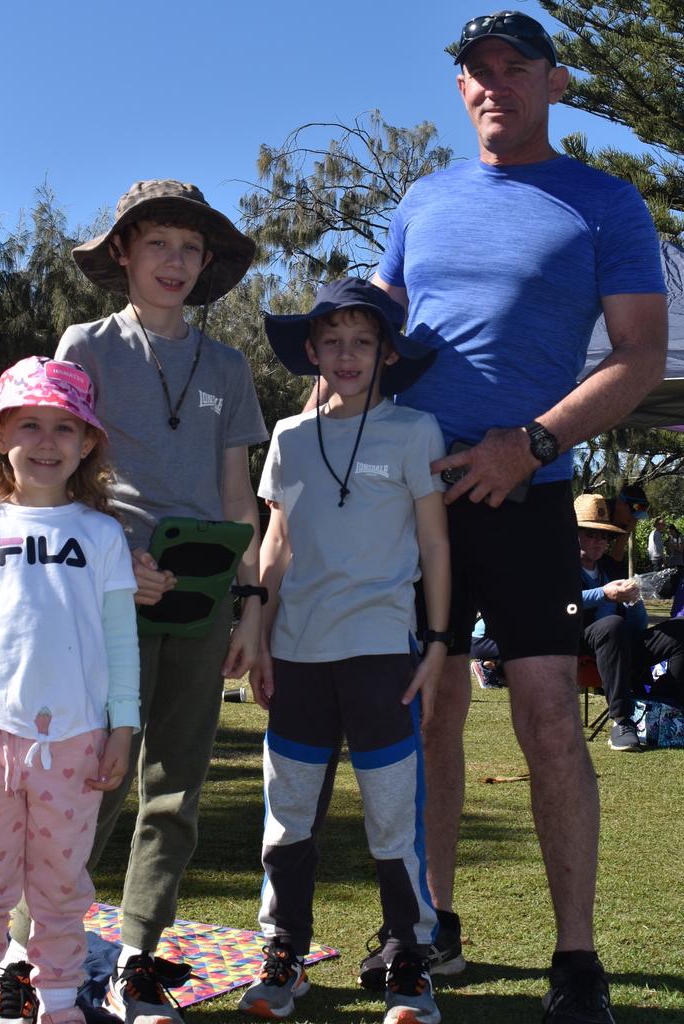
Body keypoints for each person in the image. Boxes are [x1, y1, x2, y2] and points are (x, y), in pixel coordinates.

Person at [368, 10, 668, 1022]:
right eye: (476, 70)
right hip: (416, 499)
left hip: (532, 494)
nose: (494, 83)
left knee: (547, 717)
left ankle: (576, 957)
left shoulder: (604, 202)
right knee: (423, 712)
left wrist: (530, 444)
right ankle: (428, 927)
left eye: (514, 66)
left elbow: (635, 355)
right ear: (461, 90)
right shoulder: (422, 200)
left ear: (555, 81)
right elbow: (374, 333)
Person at [6, 180, 267, 1024]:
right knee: (91, 774)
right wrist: (117, 555)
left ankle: (139, 958)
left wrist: (249, 604)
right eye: (157, 244)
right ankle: (26, 950)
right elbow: (57, 466)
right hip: (99, 584)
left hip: (200, 592)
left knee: (176, 784)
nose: (175, 263)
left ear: (208, 263)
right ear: (123, 254)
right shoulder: (85, 344)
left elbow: (239, 498)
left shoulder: (227, 366)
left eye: (190, 249)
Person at [240, 278, 449, 1024]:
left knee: (391, 819)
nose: (348, 354)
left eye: (364, 341)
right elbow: (277, 541)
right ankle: (284, 955)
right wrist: (257, 633)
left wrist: (436, 640)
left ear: (387, 353)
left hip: (382, 655)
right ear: (311, 352)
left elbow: (433, 542)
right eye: (333, 341)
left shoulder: (416, 430)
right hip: (296, 655)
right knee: (289, 814)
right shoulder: (290, 438)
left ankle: (408, 960)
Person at [0, 356, 140, 1024]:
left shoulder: (103, 535)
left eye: (64, 428)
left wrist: (122, 728)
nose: (47, 442)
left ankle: (61, 1003)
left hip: (75, 744)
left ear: (88, 444)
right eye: (30, 425)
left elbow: (120, 641)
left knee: (61, 887)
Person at [576, 493, 684, 751]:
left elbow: (636, 626)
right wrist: (604, 593)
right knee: (612, 625)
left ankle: (665, 705)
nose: (599, 541)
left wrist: (633, 602)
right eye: (591, 534)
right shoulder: (558, 566)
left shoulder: (610, 568)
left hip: (618, 641)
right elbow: (558, 603)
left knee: (679, 630)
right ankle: (622, 721)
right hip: (575, 643)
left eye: (604, 536)